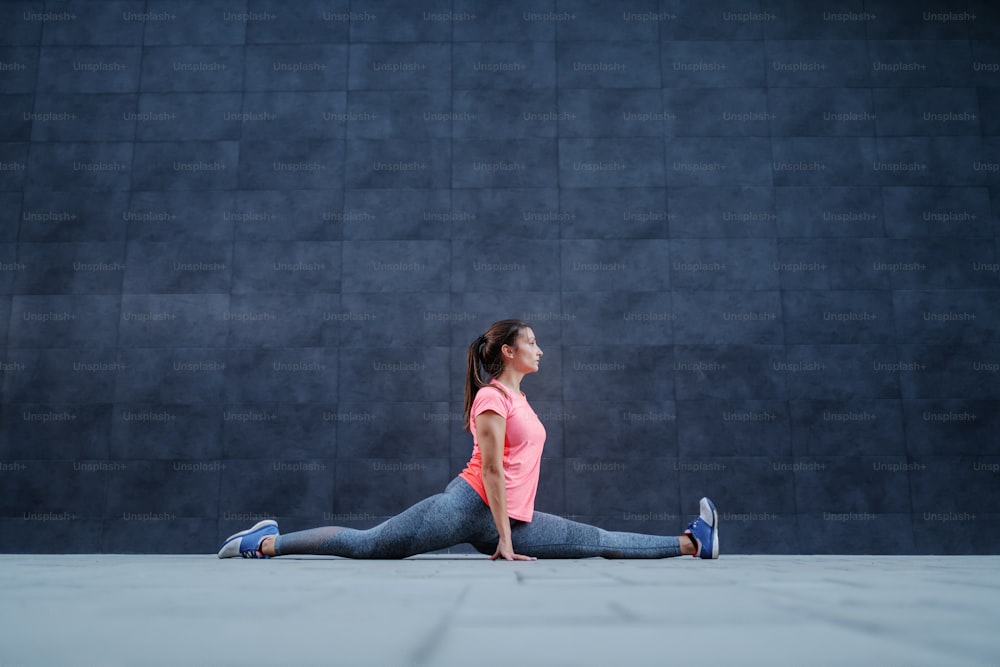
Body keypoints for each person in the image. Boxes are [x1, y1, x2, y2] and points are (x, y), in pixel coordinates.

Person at [218, 319, 719, 561]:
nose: (541, 349)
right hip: (468, 506)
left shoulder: (520, 399)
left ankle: (694, 543)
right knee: (368, 545)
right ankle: (262, 542)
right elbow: (495, 470)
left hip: (509, 518)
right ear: (508, 350)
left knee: (600, 542)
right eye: (532, 343)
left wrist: (506, 532)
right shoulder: (490, 399)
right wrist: (502, 538)